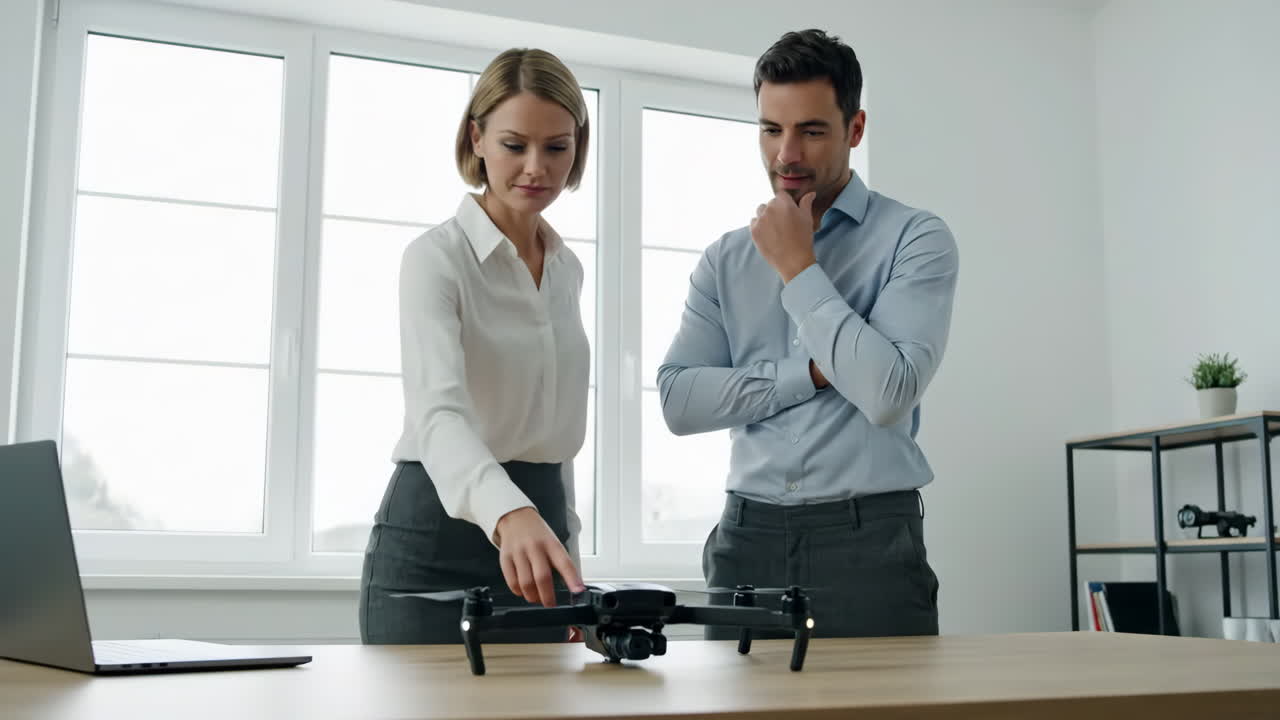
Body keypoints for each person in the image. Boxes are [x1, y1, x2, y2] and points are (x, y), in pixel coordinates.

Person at [658, 29, 959, 639]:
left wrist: (798, 267)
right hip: (746, 540)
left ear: (855, 128)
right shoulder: (725, 259)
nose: (786, 154)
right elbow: (679, 401)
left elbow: (887, 393)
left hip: (870, 542)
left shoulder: (916, 238)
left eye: (811, 131)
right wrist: (816, 372)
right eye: (771, 129)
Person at [360, 47, 591, 644]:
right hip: (434, 546)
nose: (536, 167)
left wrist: (568, 559)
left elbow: (553, 441)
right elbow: (438, 414)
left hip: (536, 543)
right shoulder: (435, 259)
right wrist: (509, 513)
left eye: (557, 147)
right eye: (515, 145)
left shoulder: (567, 270)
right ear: (477, 138)